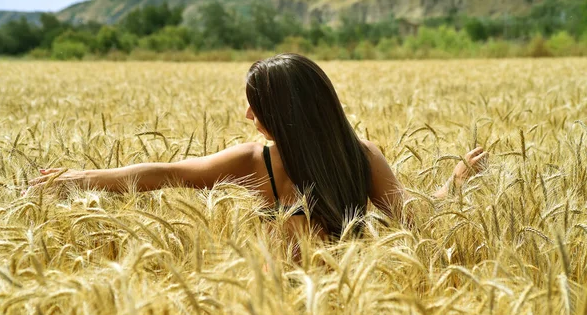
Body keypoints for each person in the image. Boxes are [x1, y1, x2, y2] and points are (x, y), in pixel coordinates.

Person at [26, 53, 488, 241]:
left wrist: (457, 179)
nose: (249, 117)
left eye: (256, 107)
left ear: (286, 111)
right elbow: (164, 172)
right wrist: (79, 180)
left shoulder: (353, 156)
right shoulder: (268, 158)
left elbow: (414, 222)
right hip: (274, 313)